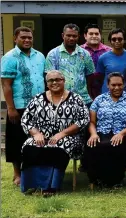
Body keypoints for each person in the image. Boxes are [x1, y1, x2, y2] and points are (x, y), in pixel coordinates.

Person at [19, 70, 90, 196]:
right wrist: (36, 134)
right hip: (41, 135)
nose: (54, 82)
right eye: (51, 80)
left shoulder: (75, 98)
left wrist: (63, 133)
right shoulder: (37, 99)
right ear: (46, 83)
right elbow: (26, 119)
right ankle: (33, 184)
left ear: (64, 81)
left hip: (69, 137)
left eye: (58, 79)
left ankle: (50, 187)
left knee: (58, 147)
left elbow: (83, 119)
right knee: (29, 146)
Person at [1, 26, 46, 187]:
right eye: (23, 38)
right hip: (19, 106)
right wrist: (11, 108)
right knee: (16, 139)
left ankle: (33, 169)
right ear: (15, 38)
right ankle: (17, 173)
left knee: (36, 139)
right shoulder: (9, 57)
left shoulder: (40, 56)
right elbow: (6, 85)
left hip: (39, 106)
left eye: (29, 37)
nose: (27, 40)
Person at [85, 72, 126, 188]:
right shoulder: (99, 100)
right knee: (94, 145)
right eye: (113, 85)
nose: (117, 87)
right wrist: (94, 134)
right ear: (108, 85)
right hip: (102, 132)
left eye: (120, 85)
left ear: (124, 84)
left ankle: (115, 180)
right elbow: (92, 122)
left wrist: (121, 133)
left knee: (116, 145)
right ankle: (97, 179)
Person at [45, 23, 95, 106]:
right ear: (63, 35)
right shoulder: (53, 54)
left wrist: (89, 94)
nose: (71, 38)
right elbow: (50, 78)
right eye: (68, 35)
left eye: (74, 36)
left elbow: (90, 76)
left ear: (78, 36)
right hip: (60, 100)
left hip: (83, 99)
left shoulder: (85, 54)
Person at [96, 28, 126, 94]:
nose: (117, 41)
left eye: (120, 39)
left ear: (124, 40)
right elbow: (99, 79)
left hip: (125, 95)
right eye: (114, 39)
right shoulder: (103, 58)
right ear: (110, 41)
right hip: (107, 95)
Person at [81, 23, 112, 100]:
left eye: (96, 34)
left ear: (100, 35)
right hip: (84, 90)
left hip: (105, 89)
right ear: (85, 36)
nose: (94, 36)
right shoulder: (79, 51)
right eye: (91, 34)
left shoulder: (109, 51)